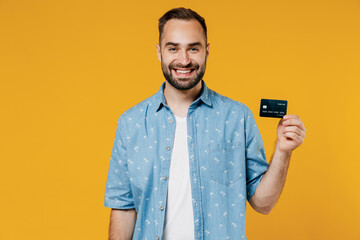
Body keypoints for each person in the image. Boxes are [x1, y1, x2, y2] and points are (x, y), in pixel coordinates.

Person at [104, 7, 306, 240]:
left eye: (193, 48)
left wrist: (283, 151)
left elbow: (263, 203)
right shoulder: (131, 123)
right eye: (173, 48)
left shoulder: (237, 117)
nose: (184, 60)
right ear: (159, 52)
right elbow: (123, 208)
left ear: (207, 51)